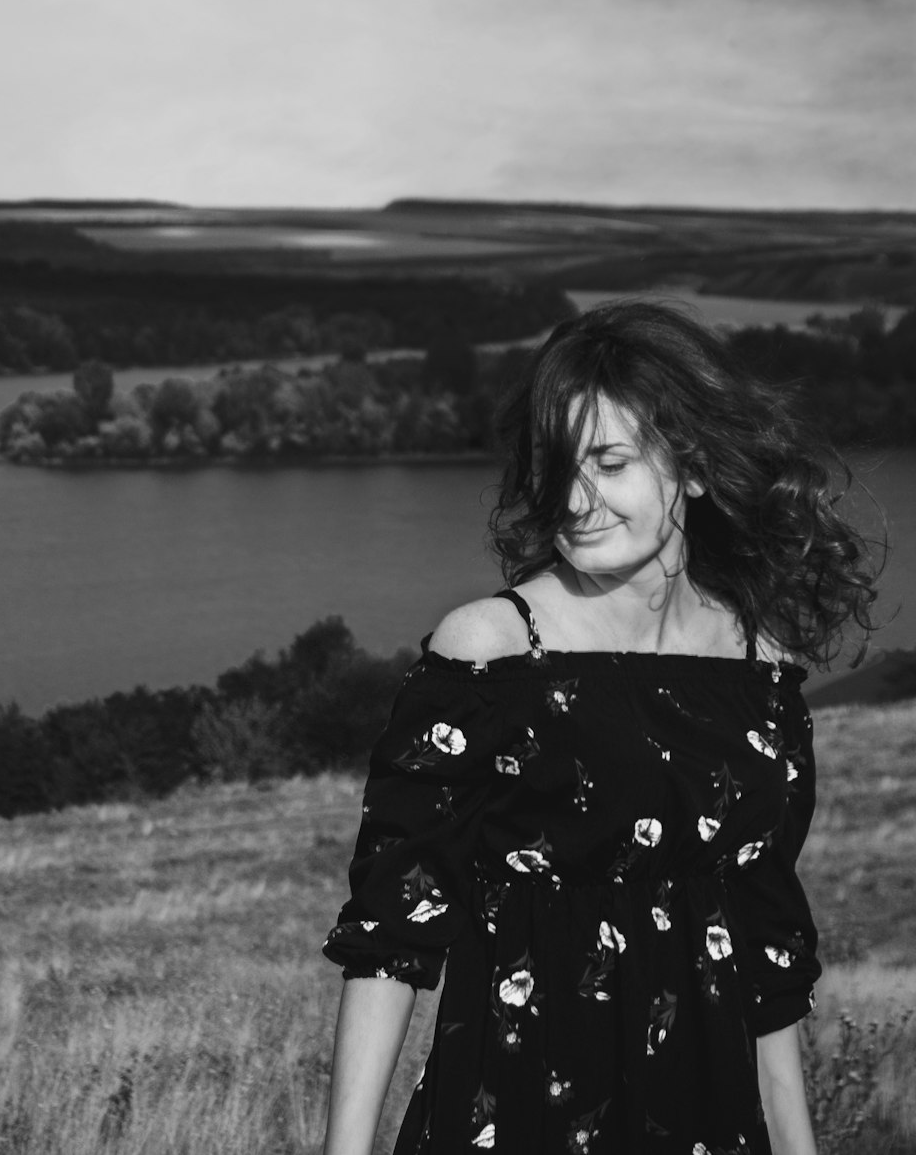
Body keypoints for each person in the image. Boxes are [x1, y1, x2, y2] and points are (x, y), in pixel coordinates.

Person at [321, 300, 880, 1155]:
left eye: (611, 463)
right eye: (558, 467)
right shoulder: (491, 656)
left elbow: (764, 963)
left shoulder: (759, 673)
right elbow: (390, 936)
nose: (576, 500)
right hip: (516, 1118)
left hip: (708, 1125)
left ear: (691, 468)